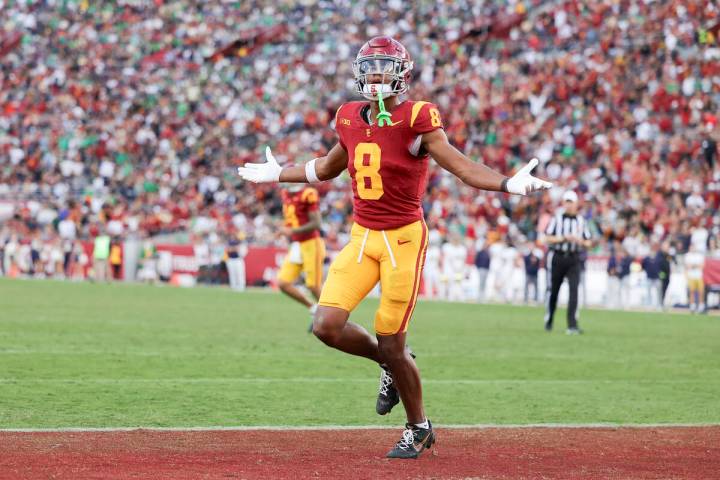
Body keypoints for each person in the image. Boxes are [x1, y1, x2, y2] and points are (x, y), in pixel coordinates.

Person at [237, 36, 551, 459]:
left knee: (392, 341)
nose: (377, 75)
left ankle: (419, 427)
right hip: (362, 236)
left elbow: (459, 165)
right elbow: (328, 167)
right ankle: (386, 364)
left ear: (402, 73)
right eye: (370, 68)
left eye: (385, 67)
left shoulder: (417, 116)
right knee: (326, 326)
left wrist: (507, 182)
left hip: (403, 239)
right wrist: (281, 174)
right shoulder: (348, 116)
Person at [542, 190, 592, 334]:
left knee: (574, 291)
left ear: (576, 204)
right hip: (558, 257)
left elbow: (588, 242)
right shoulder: (556, 219)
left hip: (574, 258)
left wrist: (579, 241)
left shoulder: (581, 221)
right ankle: (549, 318)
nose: (569, 205)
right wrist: (563, 238)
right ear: (563, 203)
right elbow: (547, 238)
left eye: (571, 202)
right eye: (567, 202)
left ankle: (572, 324)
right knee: (553, 291)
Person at [277, 185, 326, 328]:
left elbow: (317, 224)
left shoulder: (307, 193)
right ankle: (313, 308)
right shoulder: (286, 193)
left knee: (313, 286)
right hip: (298, 244)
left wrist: (292, 230)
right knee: (283, 283)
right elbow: (293, 220)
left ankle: (333, 318)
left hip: (312, 243)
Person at [684, 243, 706, 314]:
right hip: (691, 276)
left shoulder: (700, 256)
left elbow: (702, 266)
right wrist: (696, 265)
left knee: (701, 292)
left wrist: (693, 265)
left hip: (699, 276)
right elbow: (687, 266)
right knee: (691, 291)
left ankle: (701, 306)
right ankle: (692, 306)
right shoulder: (687, 256)